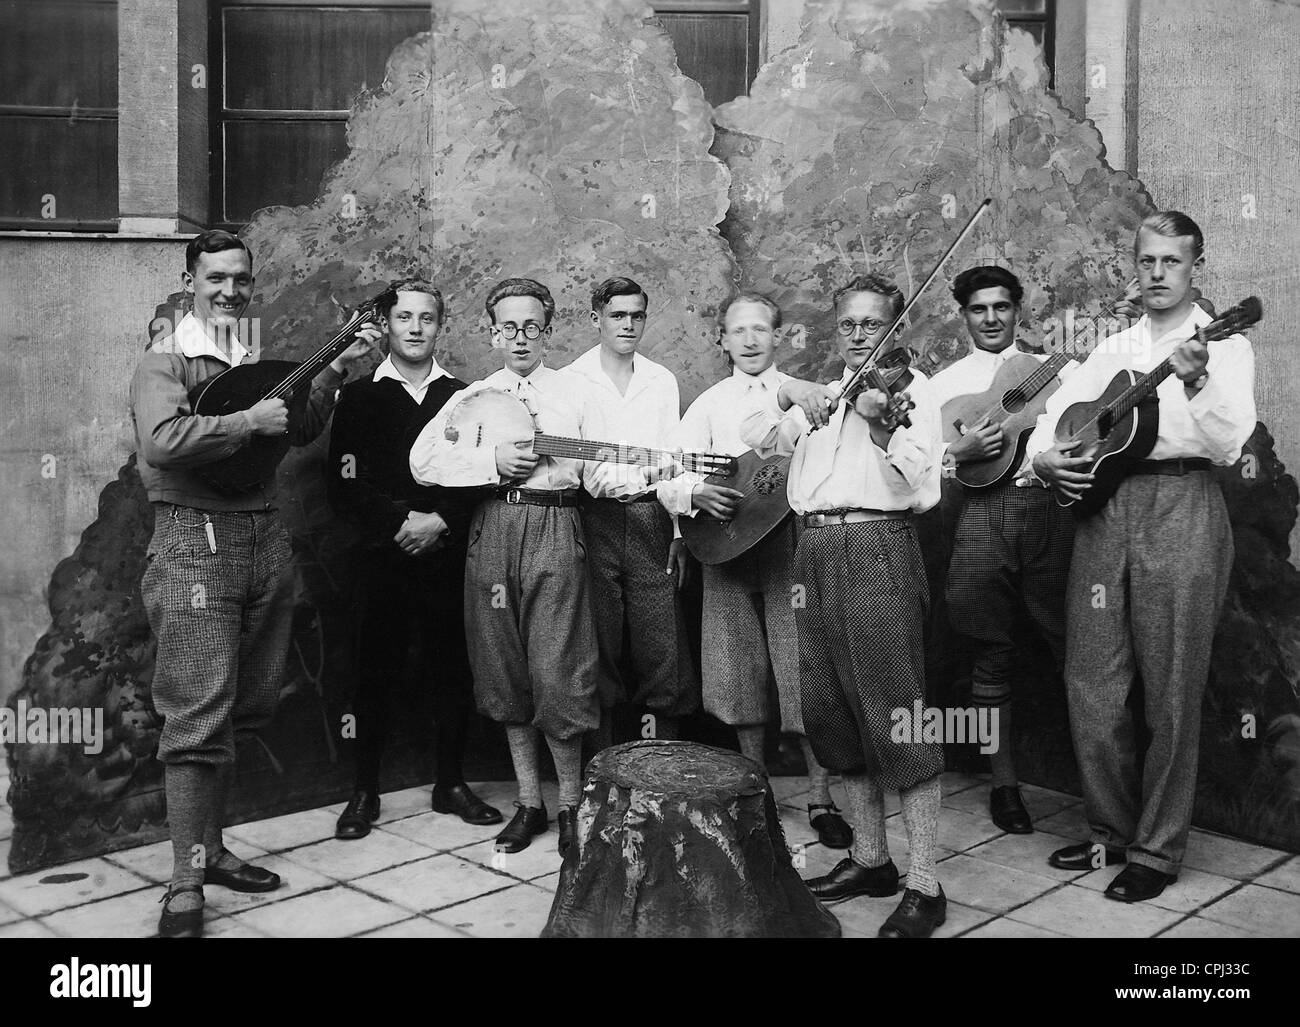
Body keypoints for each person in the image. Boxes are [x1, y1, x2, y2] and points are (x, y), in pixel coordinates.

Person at [130, 229, 378, 937]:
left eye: (241, 278)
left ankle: (210, 850)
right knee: (197, 712)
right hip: (195, 540)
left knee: (248, 700)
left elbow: (292, 432)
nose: (231, 290)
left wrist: (333, 373)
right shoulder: (164, 356)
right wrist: (246, 419)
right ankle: (184, 883)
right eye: (216, 278)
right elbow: (161, 441)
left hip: (263, 535)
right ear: (190, 277)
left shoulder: (246, 353)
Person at [1026, 211, 1255, 902]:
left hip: (1182, 509)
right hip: (1103, 511)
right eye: (1147, 260)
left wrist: (1194, 382)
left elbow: (1228, 442)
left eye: (1172, 262)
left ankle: (1155, 849)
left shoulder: (1224, 345)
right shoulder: (1115, 345)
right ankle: (1109, 831)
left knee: (1172, 689)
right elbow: (1058, 415)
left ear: (1196, 267)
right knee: (1091, 682)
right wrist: (1044, 459)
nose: (1157, 274)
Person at [740, 273, 948, 938]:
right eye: (850, 324)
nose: (860, 334)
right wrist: (786, 393)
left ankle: (925, 883)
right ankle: (870, 858)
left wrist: (885, 430)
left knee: (900, 716)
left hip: (878, 546)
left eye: (873, 323)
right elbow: (761, 448)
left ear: (897, 330)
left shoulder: (914, 395)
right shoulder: (825, 392)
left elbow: (925, 486)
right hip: (812, 552)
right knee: (829, 712)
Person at [409, 278, 602, 856]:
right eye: (508, 327)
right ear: (493, 333)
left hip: (556, 526)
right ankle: (529, 803)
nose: (520, 338)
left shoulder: (576, 393)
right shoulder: (475, 396)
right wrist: (490, 458)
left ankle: (570, 804)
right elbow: (424, 461)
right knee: (503, 664)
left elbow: (601, 471)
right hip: (493, 526)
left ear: (549, 331)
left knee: (560, 663)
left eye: (532, 326)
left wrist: (665, 483)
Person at [661, 292, 851, 849]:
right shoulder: (708, 405)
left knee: (804, 670)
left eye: (761, 330)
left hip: (790, 545)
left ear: (778, 336)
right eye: (738, 331)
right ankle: (756, 793)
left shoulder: (808, 397)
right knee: (736, 669)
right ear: (721, 339)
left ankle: (821, 798)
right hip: (725, 547)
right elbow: (669, 472)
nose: (749, 340)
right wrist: (696, 493)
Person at [326, 279, 502, 841]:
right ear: (389, 325)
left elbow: (481, 472)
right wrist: (399, 523)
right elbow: (344, 481)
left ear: (439, 325)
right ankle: (364, 790)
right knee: (372, 670)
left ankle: (450, 782)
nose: (416, 327)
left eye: (427, 318)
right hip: (382, 557)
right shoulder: (358, 396)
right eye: (405, 317)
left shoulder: (464, 396)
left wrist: (440, 521)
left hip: (445, 554)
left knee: (451, 667)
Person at [928, 265, 1076, 834]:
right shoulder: (944, 386)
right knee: (988, 647)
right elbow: (927, 474)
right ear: (963, 315)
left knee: (1075, 646)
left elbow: (1078, 431)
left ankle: (1104, 798)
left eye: (1001, 307)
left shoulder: (1051, 371)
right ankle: (1006, 785)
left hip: (1045, 514)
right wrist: (958, 453)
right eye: (977, 309)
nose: (990, 319)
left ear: (1018, 310)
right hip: (978, 520)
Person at [562, 278, 700, 748]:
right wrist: (601, 473)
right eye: (617, 315)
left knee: (662, 642)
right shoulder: (570, 381)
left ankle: (663, 761)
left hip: (651, 519)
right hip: (592, 519)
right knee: (598, 642)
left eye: (636, 315)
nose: (628, 324)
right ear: (595, 318)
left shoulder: (661, 380)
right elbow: (571, 464)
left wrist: (679, 532)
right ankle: (605, 766)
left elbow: (675, 462)